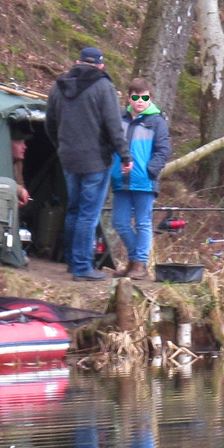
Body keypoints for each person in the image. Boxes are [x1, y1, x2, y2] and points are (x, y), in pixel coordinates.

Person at [45, 47, 132, 281]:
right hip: (96, 160)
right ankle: (82, 267)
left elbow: (50, 124)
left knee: (73, 210)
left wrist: (61, 146)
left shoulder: (58, 86)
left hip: (68, 158)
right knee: (88, 214)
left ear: (77, 62)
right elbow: (114, 127)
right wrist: (125, 156)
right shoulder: (104, 87)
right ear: (101, 66)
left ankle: (72, 263)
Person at [110, 78, 171, 280]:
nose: (139, 101)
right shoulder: (119, 118)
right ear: (129, 98)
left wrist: (149, 170)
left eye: (144, 97)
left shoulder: (157, 122)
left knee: (143, 223)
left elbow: (163, 151)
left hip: (144, 181)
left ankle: (139, 264)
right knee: (119, 221)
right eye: (135, 97)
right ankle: (135, 260)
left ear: (150, 98)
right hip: (120, 178)